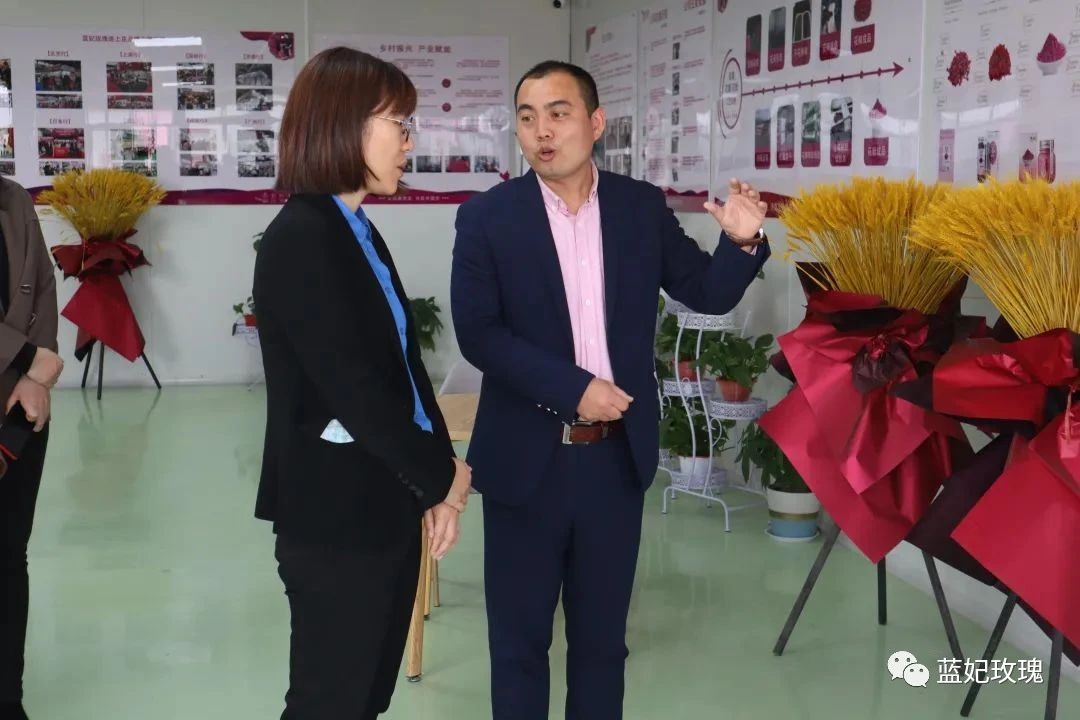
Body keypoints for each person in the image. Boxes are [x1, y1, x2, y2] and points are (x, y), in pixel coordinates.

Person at [451, 60, 769, 720]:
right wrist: (575, 390)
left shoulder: (638, 208)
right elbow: (480, 334)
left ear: (595, 123)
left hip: (613, 462)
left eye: (558, 113)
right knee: (518, 646)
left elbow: (703, 291)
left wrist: (740, 242)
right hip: (524, 461)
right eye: (528, 118)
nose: (542, 131)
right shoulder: (487, 218)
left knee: (602, 647)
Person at [252, 46, 471, 720]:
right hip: (335, 516)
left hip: (383, 503)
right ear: (344, 126)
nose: (409, 142)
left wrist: (436, 474)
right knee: (329, 704)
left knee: (365, 700)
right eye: (398, 124)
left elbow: (403, 370)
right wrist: (442, 478)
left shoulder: (357, 231)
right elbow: (356, 392)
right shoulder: (302, 237)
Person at [0, 176, 63, 720]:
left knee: (7, 556)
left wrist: (37, 375)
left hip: (20, 407)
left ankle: (7, 697)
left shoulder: (13, 198)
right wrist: (27, 359)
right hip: (19, 376)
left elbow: (42, 287)